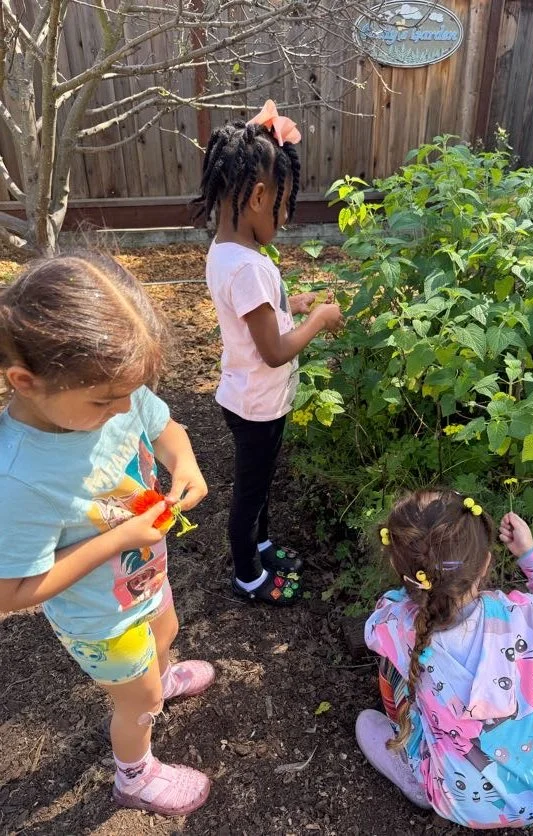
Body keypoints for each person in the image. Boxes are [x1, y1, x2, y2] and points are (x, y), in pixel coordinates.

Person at [0, 252, 215, 817]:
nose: (125, 409)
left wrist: (185, 462)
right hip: (101, 616)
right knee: (137, 701)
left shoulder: (113, 390)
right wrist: (118, 540)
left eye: (131, 392)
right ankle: (135, 776)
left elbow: (166, 426)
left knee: (166, 626)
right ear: (26, 381)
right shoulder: (18, 479)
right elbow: (10, 594)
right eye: (105, 401)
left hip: (144, 578)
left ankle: (162, 675)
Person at [356, 489, 533, 829]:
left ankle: (419, 783)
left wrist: (408, 593)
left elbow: (372, 629)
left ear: (397, 565)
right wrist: (530, 555)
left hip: (461, 801)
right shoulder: (532, 615)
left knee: (368, 720)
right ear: (486, 563)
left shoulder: (396, 625)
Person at [194, 100, 344, 605]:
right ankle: (249, 577)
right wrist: (318, 320)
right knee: (250, 492)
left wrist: (293, 302)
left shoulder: (226, 253)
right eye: (283, 208)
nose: (283, 219)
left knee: (258, 485)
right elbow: (276, 351)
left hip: (247, 397)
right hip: (258, 404)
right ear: (259, 196)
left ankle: (260, 544)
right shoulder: (250, 267)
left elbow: (256, 316)